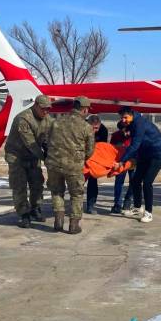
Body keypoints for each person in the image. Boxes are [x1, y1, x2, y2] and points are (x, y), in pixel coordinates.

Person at [45, 97, 95, 234]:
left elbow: (46, 141)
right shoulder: (86, 127)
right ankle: (74, 224)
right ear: (84, 109)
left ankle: (58, 220)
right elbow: (90, 150)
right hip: (74, 166)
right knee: (76, 194)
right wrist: (80, 159)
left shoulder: (56, 122)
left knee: (56, 191)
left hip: (54, 164)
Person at [4, 94, 53, 228]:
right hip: (17, 156)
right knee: (19, 185)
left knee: (37, 183)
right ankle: (23, 214)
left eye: (48, 109)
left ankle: (35, 208)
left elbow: (51, 138)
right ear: (36, 105)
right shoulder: (24, 118)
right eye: (43, 108)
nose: (46, 111)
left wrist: (52, 151)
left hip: (33, 156)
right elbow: (30, 143)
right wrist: (47, 159)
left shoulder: (48, 119)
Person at [115, 106, 161, 223]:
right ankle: (138, 207)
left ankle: (148, 213)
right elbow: (122, 127)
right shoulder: (132, 121)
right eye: (121, 118)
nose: (123, 120)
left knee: (147, 182)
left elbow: (135, 145)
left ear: (131, 114)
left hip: (157, 154)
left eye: (125, 117)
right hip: (145, 154)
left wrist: (122, 161)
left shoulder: (139, 124)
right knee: (135, 180)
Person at [84, 114, 109, 214]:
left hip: (94, 159)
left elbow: (102, 147)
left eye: (97, 127)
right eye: (93, 128)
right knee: (78, 183)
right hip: (81, 158)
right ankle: (74, 205)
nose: (96, 130)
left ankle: (91, 205)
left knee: (93, 182)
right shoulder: (82, 128)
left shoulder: (103, 130)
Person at [110, 121, 134, 214]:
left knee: (134, 182)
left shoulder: (134, 135)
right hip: (120, 163)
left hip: (133, 162)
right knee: (119, 183)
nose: (124, 133)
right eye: (122, 131)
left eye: (126, 131)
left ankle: (127, 202)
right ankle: (117, 204)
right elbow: (111, 149)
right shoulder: (116, 135)